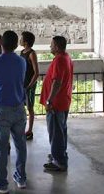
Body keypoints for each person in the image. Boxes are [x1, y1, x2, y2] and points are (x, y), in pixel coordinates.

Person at [0, 30, 27, 193]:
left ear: (1, 43)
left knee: (2, 148)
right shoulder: (22, 62)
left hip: (1, 110)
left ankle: (1, 183)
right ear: (17, 45)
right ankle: (21, 178)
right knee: (21, 145)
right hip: (19, 108)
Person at [40, 36, 73, 172]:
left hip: (56, 103)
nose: (50, 47)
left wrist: (49, 100)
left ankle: (59, 161)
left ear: (57, 47)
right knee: (60, 130)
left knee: (56, 132)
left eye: (51, 44)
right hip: (63, 101)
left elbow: (57, 82)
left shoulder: (60, 60)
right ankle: (59, 154)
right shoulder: (66, 57)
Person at [20, 32, 39, 140]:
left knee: (30, 108)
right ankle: (22, 129)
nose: (20, 40)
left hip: (29, 85)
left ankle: (30, 130)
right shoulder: (22, 52)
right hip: (22, 84)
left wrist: (29, 86)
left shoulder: (32, 54)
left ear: (26, 42)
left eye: (21, 38)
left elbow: (36, 72)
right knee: (21, 108)